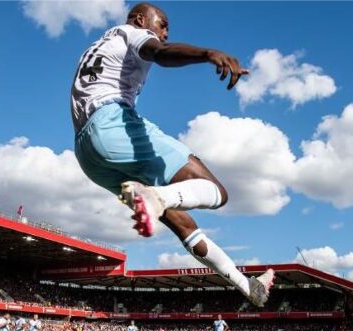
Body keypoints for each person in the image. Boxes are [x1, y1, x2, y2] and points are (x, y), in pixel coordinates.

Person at [71, 2, 274, 306]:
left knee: (183, 224)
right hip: (112, 125)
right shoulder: (132, 33)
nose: (165, 32)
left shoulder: (98, 45)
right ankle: (156, 196)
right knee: (217, 192)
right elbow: (160, 53)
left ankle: (248, 287)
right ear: (141, 19)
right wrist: (207, 54)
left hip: (87, 153)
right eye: (162, 23)